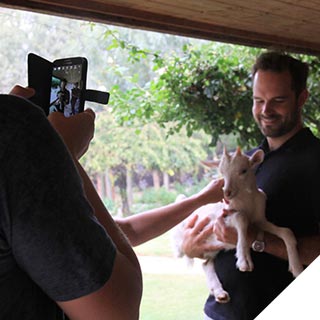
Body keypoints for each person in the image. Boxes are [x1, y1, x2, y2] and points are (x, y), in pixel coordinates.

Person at [1, 85, 224, 319]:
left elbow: (122, 231)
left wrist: (201, 198)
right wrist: (56, 151)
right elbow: (118, 312)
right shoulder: (13, 127)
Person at [181, 51, 320, 320]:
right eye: (258, 100)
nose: (265, 110)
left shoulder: (316, 160)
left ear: (301, 98)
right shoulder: (248, 163)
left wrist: (257, 240)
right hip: (218, 311)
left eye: (278, 100)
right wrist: (193, 245)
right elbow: (221, 223)